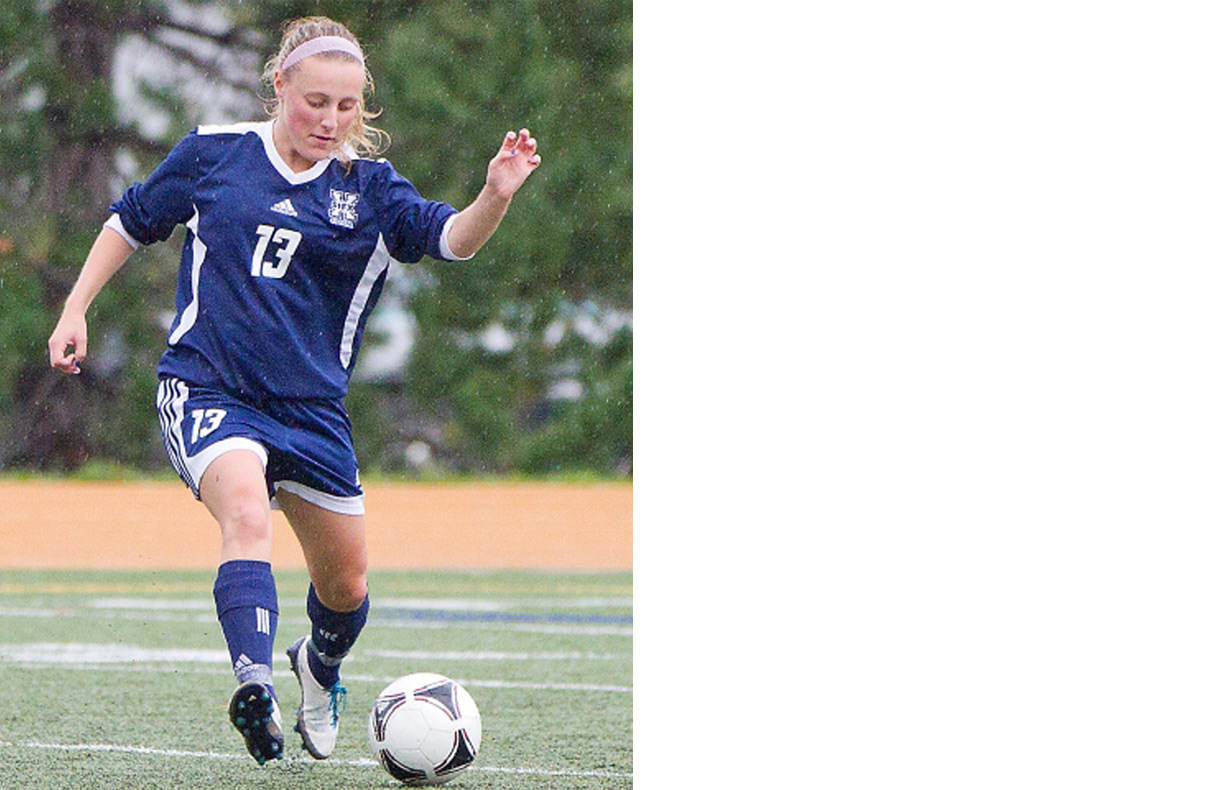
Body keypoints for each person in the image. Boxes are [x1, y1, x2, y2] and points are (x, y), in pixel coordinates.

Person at [46, 15, 540, 765]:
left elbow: (454, 240)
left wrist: (495, 195)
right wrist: (75, 307)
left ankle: (318, 666)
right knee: (247, 516)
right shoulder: (214, 154)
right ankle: (254, 684)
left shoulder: (371, 190)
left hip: (311, 411)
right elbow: (131, 222)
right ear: (280, 85)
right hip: (208, 388)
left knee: (346, 589)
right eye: (315, 102)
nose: (330, 120)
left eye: (346, 106)